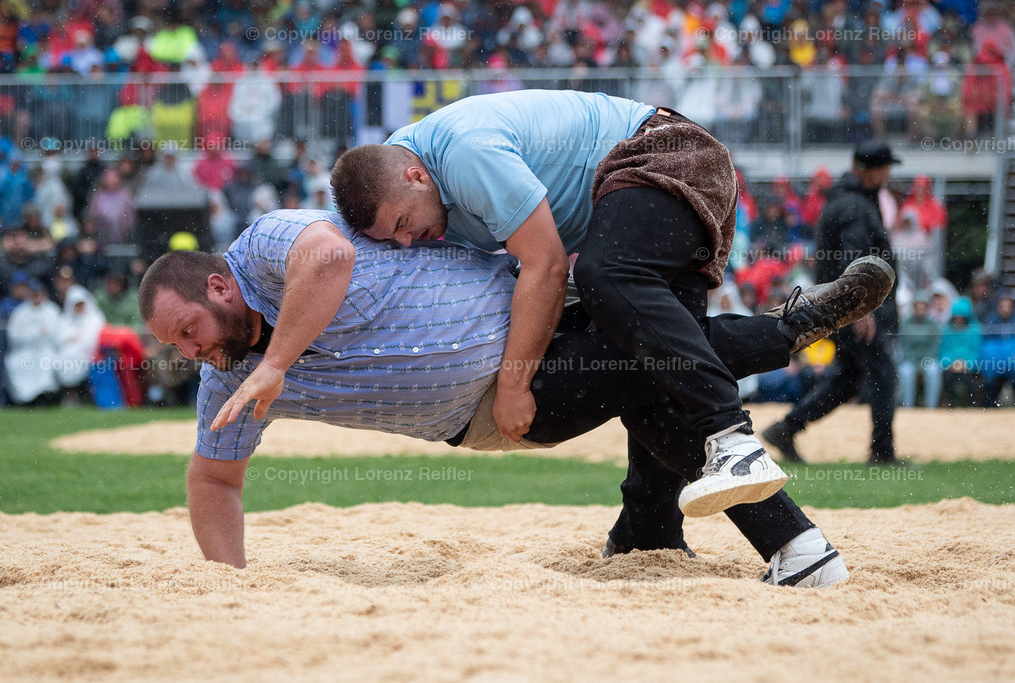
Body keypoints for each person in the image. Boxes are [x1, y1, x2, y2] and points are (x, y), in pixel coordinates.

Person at [139, 210, 891, 584]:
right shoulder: (226, 376)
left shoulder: (265, 246)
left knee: (655, 372)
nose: (192, 352)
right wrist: (229, 586)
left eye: (188, 331)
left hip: (535, 308)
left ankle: (682, 539)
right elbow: (212, 479)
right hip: (502, 402)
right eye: (179, 348)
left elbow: (329, 254)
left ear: (219, 286)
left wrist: (277, 362)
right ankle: (790, 329)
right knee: (646, 362)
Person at [329, 90, 895, 521]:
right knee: (645, 375)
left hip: (670, 153)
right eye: (392, 238)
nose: (407, 241)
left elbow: (548, 266)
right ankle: (653, 530)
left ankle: (732, 433)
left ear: (415, 175)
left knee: (604, 275)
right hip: (631, 200)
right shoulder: (395, 174)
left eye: (403, 223)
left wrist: (513, 384)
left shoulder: (463, 152)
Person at [763, 141, 901, 466]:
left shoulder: (847, 200)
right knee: (883, 374)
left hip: (841, 309)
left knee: (848, 378)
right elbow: (854, 258)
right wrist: (862, 307)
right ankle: (882, 452)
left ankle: (787, 428)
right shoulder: (855, 204)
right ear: (873, 171)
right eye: (885, 168)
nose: (888, 174)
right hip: (855, 311)